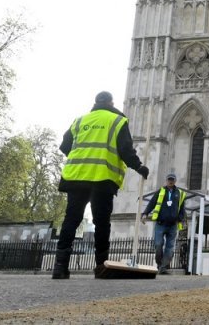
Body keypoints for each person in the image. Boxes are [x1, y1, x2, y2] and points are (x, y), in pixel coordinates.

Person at [53, 91, 148, 279]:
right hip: (102, 178)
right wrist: (139, 167)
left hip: (76, 176)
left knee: (71, 220)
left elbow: (65, 146)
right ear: (111, 103)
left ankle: (60, 266)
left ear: (95, 102)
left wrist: (82, 158)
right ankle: (100, 266)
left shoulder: (80, 120)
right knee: (101, 223)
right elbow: (126, 150)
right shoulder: (117, 121)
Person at [140, 172, 186, 275]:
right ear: (166, 180)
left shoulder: (179, 193)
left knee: (170, 248)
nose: (170, 181)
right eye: (169, 179)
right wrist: (145, 214)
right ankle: (159, 263)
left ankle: (163, 267)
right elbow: (152, 203)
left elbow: (182, 208)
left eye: (172, 179)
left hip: (173, 225)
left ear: (175, 181)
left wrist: (181, 219)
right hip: (161, 224)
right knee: (158, 245)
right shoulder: (160, 191)